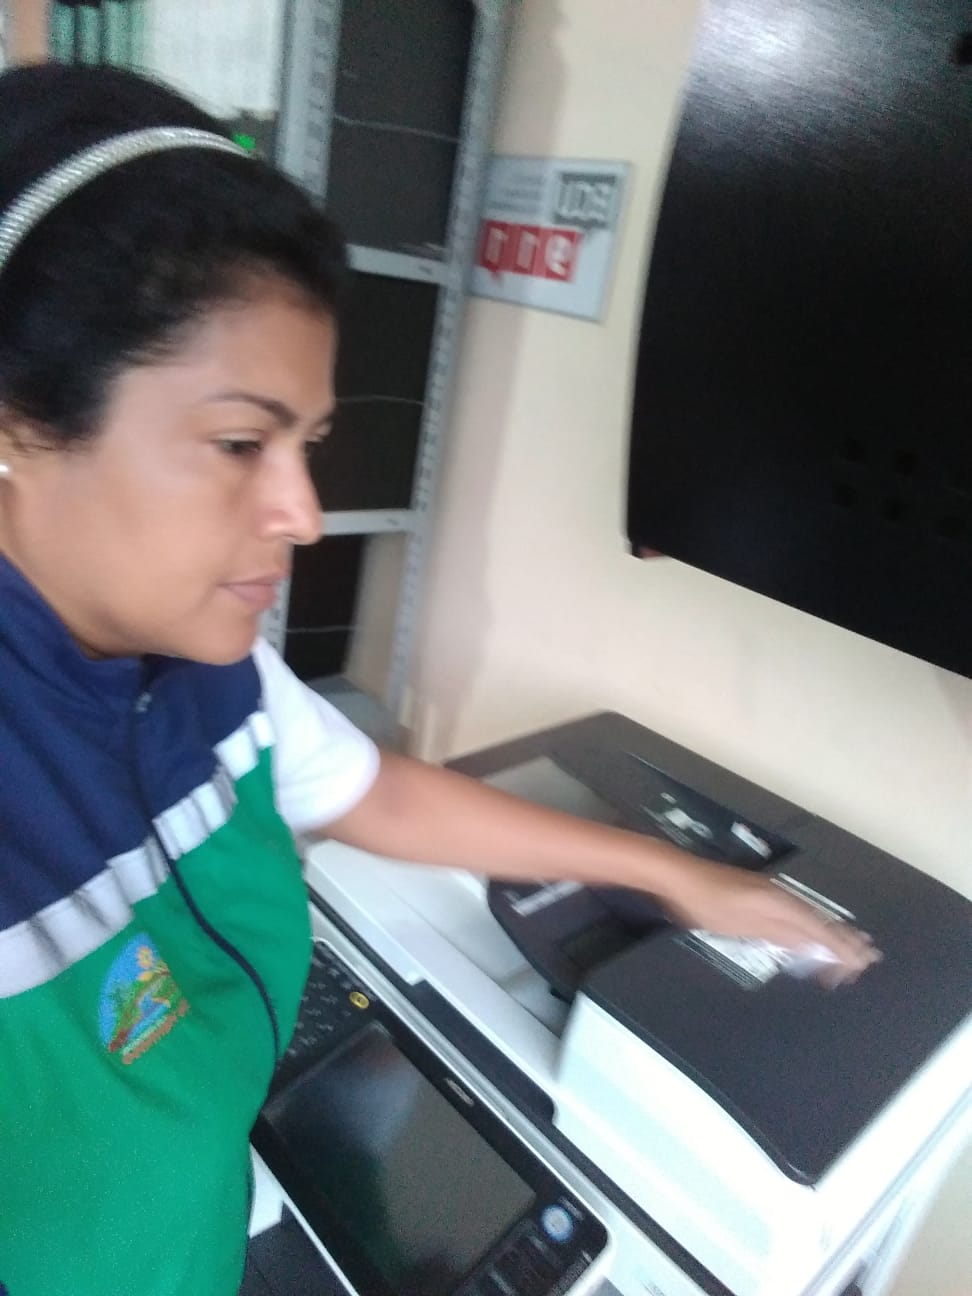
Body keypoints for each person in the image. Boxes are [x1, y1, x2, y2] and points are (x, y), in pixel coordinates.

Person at [0, 62, 878, 1296]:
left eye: (306, 443)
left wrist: (677, 874)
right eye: (239, 442)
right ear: (18, 424)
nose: (302, 512)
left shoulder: (203, 671)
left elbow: (376, 792)